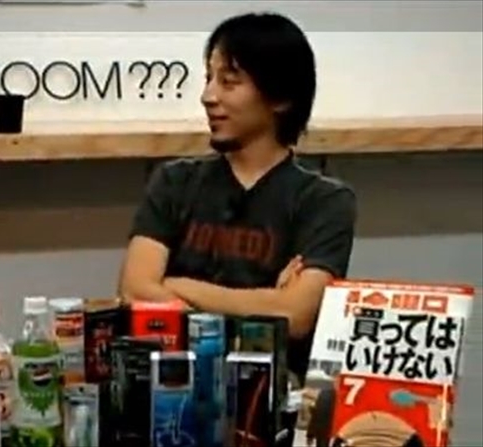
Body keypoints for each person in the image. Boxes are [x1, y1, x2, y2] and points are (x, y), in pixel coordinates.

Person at [118, 12, 357, 446]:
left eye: (229, 82)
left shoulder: (323, 201)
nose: (208, 96)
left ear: (279, 97)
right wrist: (264, 302)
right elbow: (135, 290)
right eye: (208, 79)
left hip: (268, 413)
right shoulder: (175, 182)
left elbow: (295, 316)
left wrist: (175, 286)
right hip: (170, 407)